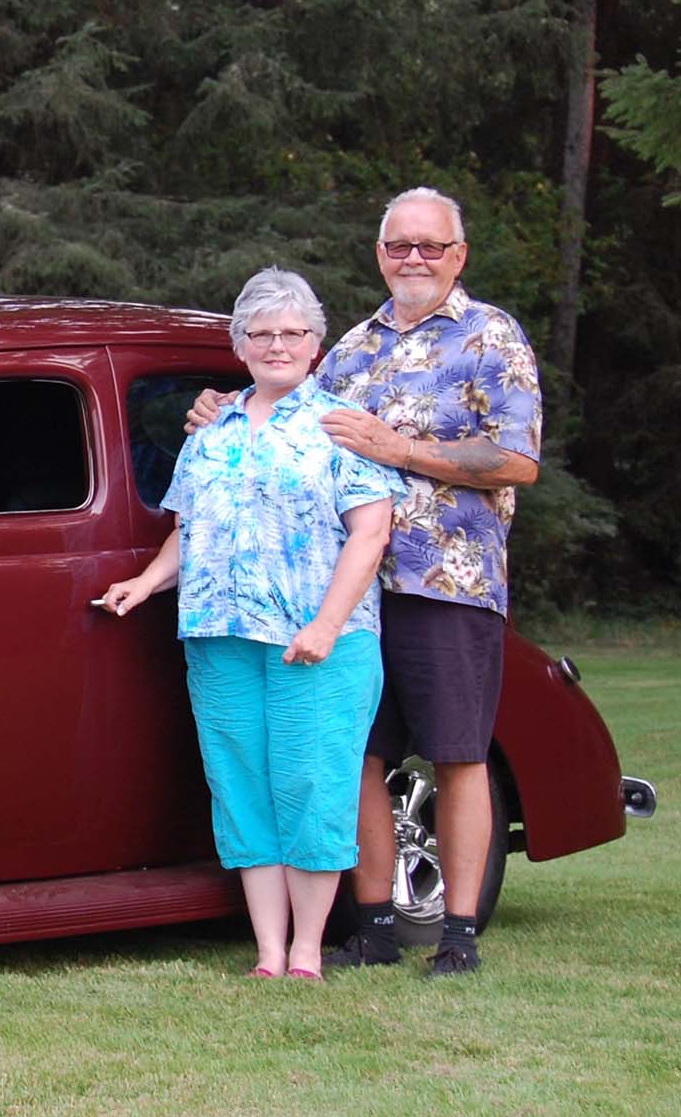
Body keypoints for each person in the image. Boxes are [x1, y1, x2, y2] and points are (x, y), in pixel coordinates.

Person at [189, 187, 543, 976]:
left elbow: (518, 460)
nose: (412, 258)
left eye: (429, 245)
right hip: (344, 590)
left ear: (459, 255)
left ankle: (457, 932)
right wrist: (219, 403)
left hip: (447, 581)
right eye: (398, 245)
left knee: (456, 753)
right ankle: (375, 927)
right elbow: (288, 407)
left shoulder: (490, 336)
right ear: (379, 253)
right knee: (358, 758)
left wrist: (399, 448)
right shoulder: (351, 347)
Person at [106, 268, 401, 981]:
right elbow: (189, 527)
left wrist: (328, 625)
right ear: (239, 345)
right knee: (241, 787)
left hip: (316, 642)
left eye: (292, 332)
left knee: (312, 784)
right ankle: (269, 951)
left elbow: (370, 534)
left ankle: (308, 951)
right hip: (220, 633)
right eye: (262, 333)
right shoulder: (212, 432)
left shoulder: (340, 428)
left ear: (315, 342)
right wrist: (145, 582)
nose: (277, 345)